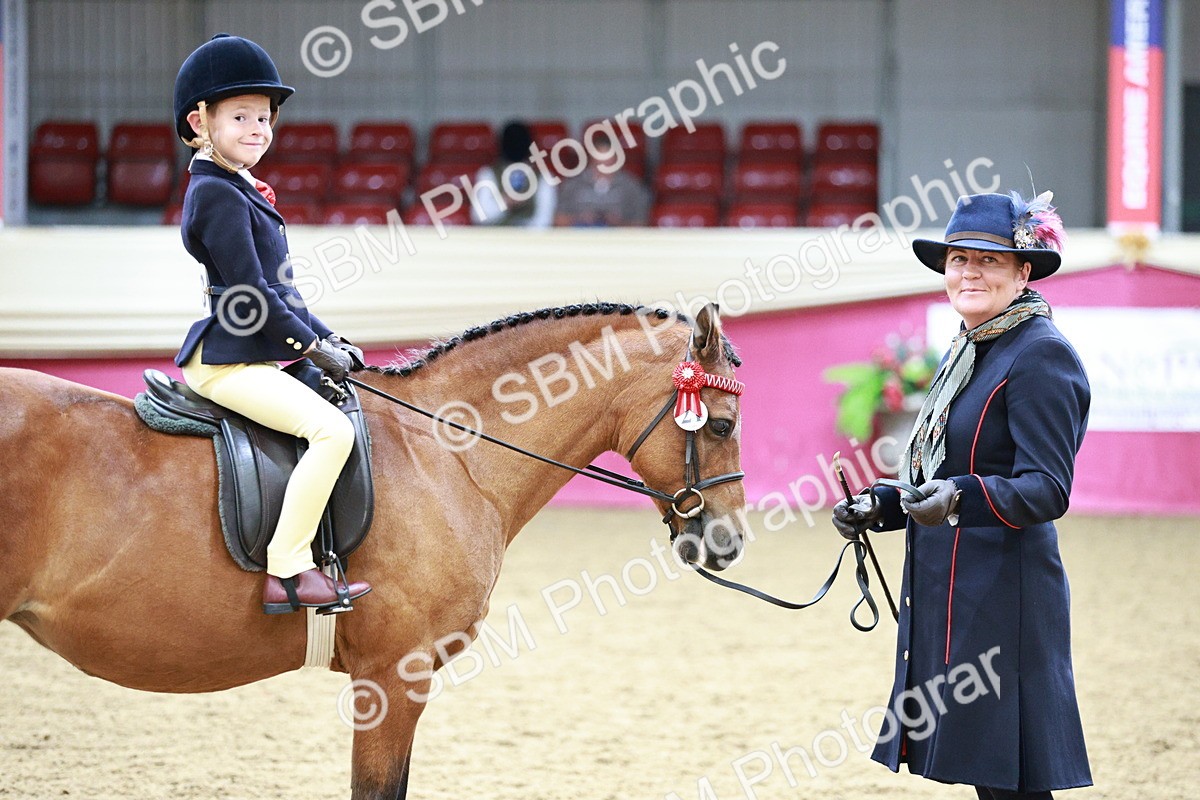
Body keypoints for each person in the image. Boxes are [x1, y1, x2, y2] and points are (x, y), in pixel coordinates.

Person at [832, 191, 1092, 798]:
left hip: (1004, 594)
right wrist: (886, 503)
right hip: (952, 585)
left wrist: (956, 497)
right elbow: (947, 470)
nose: (968, 272)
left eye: (988, 260)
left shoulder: (1040, 355)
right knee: (990, 776)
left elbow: (1047, 488)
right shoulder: (969, 350)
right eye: (958, 259)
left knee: (1011, 781)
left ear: (1023, 271)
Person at [172, 34, 371, 614]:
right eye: (240, 116)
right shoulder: (216, 193)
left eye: (265, 117)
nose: (258, 127)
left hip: (249, 352)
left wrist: (328, 337)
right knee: (334, 432)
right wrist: (308, 346)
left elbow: (284, 291)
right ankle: (288, 570)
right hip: (228, 359)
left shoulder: (237, 188)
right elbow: (252, 295)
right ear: (200, 121)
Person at [554, 129, 650, 227]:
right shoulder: (572, 185)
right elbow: (558, 221)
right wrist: (580, 219)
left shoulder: (631, 186)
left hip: (618, 239)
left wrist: (618, 223)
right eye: (599, 162)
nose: (604, 167)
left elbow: (641, 224)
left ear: (617, 159)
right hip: (581, 238)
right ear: (591, 158)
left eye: (608, 162)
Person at [469, 120, 556, 228]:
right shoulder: (488, 174)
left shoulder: (544, 177)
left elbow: (544, 222)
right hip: (494, 240)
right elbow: (478, 217)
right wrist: (506, 202)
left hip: (530, 241)